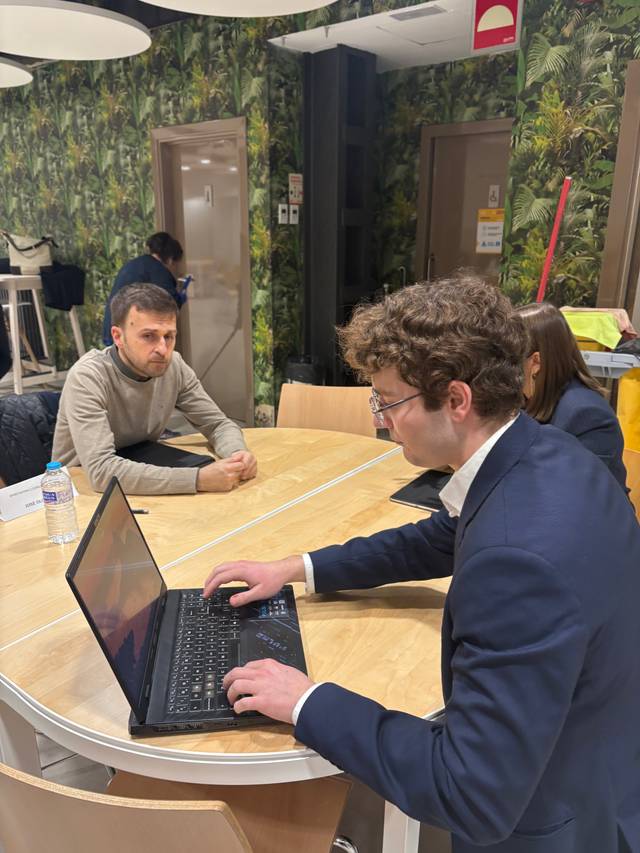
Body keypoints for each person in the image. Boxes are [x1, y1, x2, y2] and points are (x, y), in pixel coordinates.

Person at [204, 277, 640, 853]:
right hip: (604, 751)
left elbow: (471, 793)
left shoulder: (516, 563)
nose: (381, 418)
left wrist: (308, 700)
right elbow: (439, 536)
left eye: (388, 400)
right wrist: (296, 568)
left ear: (457, 400)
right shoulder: (547, 449)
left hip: (552, 821)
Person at [53, 283, 256, 495]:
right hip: (78, 494)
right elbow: (102, 471)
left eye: (169, 337)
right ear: (118, 337)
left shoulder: (174, 365)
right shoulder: (88, 376)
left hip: (139, 472)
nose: (162, 349)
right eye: (148, 336)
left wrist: (237, 455)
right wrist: (197, 479)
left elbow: (217, 425)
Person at [518, 301, 628, 491]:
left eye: (508, 358)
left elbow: (583, 497)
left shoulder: (587, 414)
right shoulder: (527, 400)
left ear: (535, 362)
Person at [102, 232, 186, 346]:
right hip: (129, 334)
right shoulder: (159, 271)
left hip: (113, 330)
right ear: (170, 258)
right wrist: (180, 297)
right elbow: (170, 305)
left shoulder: (135, 264)